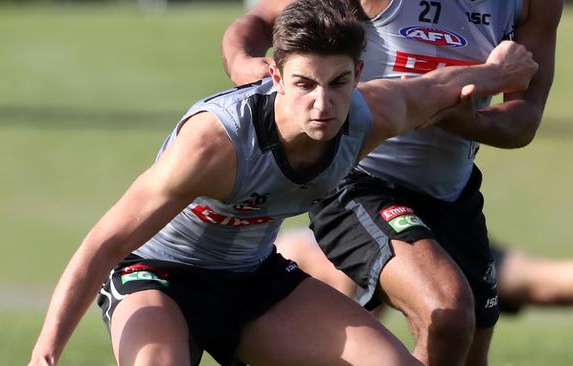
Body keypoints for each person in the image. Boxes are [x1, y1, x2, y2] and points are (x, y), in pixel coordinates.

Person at [28, 0, 537, 365]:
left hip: (253, 279)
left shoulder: (368, 114)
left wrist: (497, 72)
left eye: (339, 83)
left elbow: (438, 86)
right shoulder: (214, 143)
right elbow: (105, 243)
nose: (323, 104)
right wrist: (46, 352)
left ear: (359, 73)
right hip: (158, 275)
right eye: (304, 84)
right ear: (273, 76)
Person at [222, 1, 562, 365]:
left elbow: (522, 121)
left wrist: (454, 118)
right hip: (356, 181)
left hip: (453, 195)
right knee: (447, 312)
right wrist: (245, 65)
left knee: (466, 349)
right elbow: (260, 19)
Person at [275, 229, 573, 316]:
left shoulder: (291, 253)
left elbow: (353, 289)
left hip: (411, 234)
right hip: (428, 226)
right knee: (545, 286)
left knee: (544, 283)